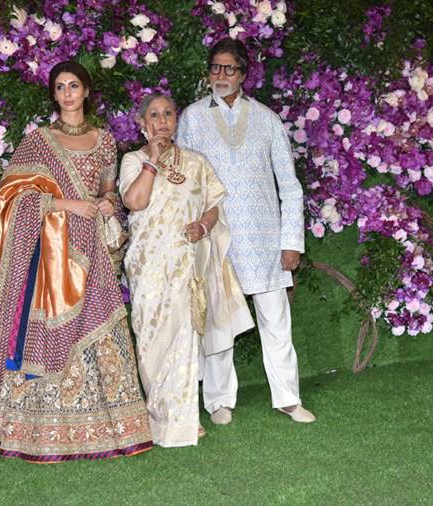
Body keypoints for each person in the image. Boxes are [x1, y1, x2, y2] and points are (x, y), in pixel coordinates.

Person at [0, 60, 153, 463]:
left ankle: (115, 426)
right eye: (59, 87)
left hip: (93, 247)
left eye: (73, 85)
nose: (66, 94)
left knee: (102, 321)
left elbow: (109, 192)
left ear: (86, 90)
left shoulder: (106, 139)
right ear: (54, 94)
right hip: (52, 256)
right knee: (52, 335)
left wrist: (105, 204)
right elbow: (12, 197)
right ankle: (37, 430)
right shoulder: (40, 141)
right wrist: (66, 204)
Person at [176, 38, 316, 424]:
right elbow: (184, 181)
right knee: (220, 324)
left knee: (276, 322)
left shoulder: (268, 119)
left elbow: (289, 186)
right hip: (215, 237)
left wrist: (292, 243)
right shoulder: (190, 118)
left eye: (229, 69)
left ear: (244, 74)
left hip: (266, 240)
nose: (221, 76)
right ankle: (219, 401)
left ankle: (288, 397)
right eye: (215, 68)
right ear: (208, 73)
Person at [120, 93, 253, 447]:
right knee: (150, 339)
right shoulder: (133, 160)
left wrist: (204, 228)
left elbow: (213, 206)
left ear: (176, 119)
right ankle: (157, 413)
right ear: (142, 123)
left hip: (185, 264)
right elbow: (135, 201)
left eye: (168, 114)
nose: (162, 121)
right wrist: (153, 160)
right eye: (154, 115)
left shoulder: (196, 162)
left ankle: (181, 417)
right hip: (148, 266)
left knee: (183, 336)